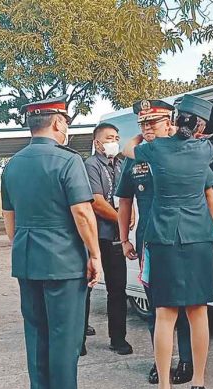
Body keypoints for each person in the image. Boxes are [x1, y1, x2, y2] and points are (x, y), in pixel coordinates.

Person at [0, 95, 102, 389]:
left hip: (28, 259)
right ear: (58, 122)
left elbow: (10, 220)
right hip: (64, 261)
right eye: (66, 123)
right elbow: (83, 212)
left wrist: (23, 245)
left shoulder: (13, 165)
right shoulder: (69, 160)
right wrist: (94, 255)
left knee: (36, 334)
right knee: (65, 338)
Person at [123, 94, 213, 389]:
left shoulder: (155, 150)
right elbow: (210, 195)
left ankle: (164, 385)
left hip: (163, 236)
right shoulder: (207, 149)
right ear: (201, 126)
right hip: (199, 236)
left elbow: (128, 150)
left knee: (165, 313)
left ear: (174, 120)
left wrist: (143, 133)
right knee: (198, 311)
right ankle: (199, 382)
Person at [116, 99, 197, 385]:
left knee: (188, 304)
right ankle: (160, 363)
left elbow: (208, 193)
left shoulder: (184, 150)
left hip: (181, 237)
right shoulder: (135, 158)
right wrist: (124, 237)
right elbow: (124, 201)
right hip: (149, 241)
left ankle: (187, 360)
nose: (147, 127)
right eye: (142, 123)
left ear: (169, 123)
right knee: (156, 306)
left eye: (153, 122)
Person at [81, 123, 132, 356]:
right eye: (109, 138)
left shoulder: (121, 164)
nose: (114, 141)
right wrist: (122, 218)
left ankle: (118, 338)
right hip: (96, 236)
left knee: (118, 290)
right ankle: (79, 338)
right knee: (86, 289)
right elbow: (96, 201)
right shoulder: (90, 165)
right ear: (97, 143)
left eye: (117, 137)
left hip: (115, 239)